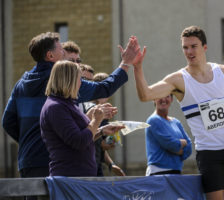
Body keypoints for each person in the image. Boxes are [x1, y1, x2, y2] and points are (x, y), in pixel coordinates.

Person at [132, 26, 224, 199]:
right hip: (208, 154)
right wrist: (138, 68)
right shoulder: (179, 80)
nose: (189, 51)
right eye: (185, 47)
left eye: (193, 46)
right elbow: (145, 95)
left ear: (204, 47)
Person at [2, 32, 140, 179]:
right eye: (61, 49)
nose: (64, 53)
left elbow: (8, 122)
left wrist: (32, 141)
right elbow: (103, 88)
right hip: (58, 163)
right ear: (50, 55)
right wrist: (125, 63)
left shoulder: (20, 84)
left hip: (28, 160)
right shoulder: (64, 82)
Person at [40, 60, 125, 176]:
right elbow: (79, 141)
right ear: (69, 80)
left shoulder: (67, 103)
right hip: (70, 177)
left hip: (80, 176)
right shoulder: (56, 107)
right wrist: (96, 120)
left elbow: (82, 136)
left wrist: (102, 131)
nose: (81, 83)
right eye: (80, 79)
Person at [84, 72, 125, 176]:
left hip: (97, 164)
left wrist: (111, 164)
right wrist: (103, 142)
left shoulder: (104, 111)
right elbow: (84, 138)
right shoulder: (88, 109)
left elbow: (102, 144)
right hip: (85, 164)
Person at [145, 94, 192, 176]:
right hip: (158, 172)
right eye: (160, 95)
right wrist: (182, 143)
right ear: (154, 99)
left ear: (171, 99)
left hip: (176, 171)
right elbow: (170, 144)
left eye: (167, 96)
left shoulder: (176, 122)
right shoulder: (153, 120)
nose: (163, 99)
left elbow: (189, 147)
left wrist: (176, 148)